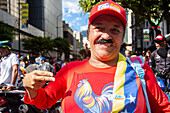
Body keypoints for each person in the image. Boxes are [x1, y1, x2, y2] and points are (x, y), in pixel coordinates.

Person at [23, 0, 170, 112]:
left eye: (115, 30)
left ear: (123, 36)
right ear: (88, 34)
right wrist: (31, 88)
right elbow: (45, 100)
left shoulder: (140, 69)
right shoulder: (70, 70)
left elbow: (163, 108)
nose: (106, 35)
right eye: (99, 28)